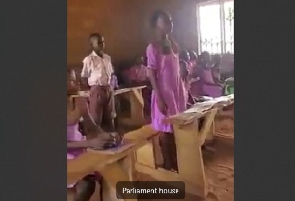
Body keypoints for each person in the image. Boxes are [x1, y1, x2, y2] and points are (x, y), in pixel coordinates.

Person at [146, 10, 186, 172]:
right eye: (165, 21)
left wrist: (183, 89)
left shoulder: (174, 44)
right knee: (165, 130)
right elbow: (151, 73)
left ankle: (175, 161)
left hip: (176, 92)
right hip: (164, 92)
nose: (169, 24)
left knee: (176, 128)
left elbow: (176, 69)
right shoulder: (152, 47)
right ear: (156, 25)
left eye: (170, 20)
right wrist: (160, 98)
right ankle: (168, 164)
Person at [67, 69, 114, 201]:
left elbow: (91, 126)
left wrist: (105, 135)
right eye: (70, 81)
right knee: (81, 185)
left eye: (75, 80)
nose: (75, 84)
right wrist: (89, 143)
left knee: (106, 173)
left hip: (80, 148)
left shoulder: (80, 101)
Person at [80, 33, 116, 133]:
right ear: (92, 45)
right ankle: (96, 139)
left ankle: (111, 137)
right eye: (99, 43)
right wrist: (91, 92)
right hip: (97, 90)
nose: (102, 44)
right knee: (96, 118)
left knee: (110, 116)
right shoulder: (89, 60)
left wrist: (111, 87)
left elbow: (110, 73)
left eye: (103, 42)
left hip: (108, 89)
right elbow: (84, 77)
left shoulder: (107, 58)